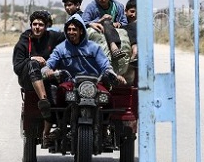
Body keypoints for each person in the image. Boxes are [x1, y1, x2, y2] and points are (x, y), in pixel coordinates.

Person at [12, 10, 65, 143]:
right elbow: (17, 68)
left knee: (58, 87)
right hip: (28, 79)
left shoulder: (52, 37)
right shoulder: (24, 41)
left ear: (47, 26)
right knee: (33, 64)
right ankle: (43, 101)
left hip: (47, 79)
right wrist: (31, 59)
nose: (37, 27)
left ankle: (53, 129)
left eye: (41, 25)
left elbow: (71, 35)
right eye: (34, 24)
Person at [43, 13, 126, 88]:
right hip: (71, 85)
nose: (71, 32)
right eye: (69, 29)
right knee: (61, 94)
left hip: (94, 84)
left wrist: (115, 76)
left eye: (74, 29)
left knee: (107, 98)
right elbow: (48, 64)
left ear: (81, 31)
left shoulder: (94, 48)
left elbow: (106, 67)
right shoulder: (60, 49)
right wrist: (47, 71)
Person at [81, 0, 128, 64]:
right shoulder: (91, 7)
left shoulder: (118, 6)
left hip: (115, 31)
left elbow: (124, 22)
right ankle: (114, 48)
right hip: (99, 32)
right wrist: (100, 21)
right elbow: (83, 22)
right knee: (106, 22)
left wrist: (118, 23)